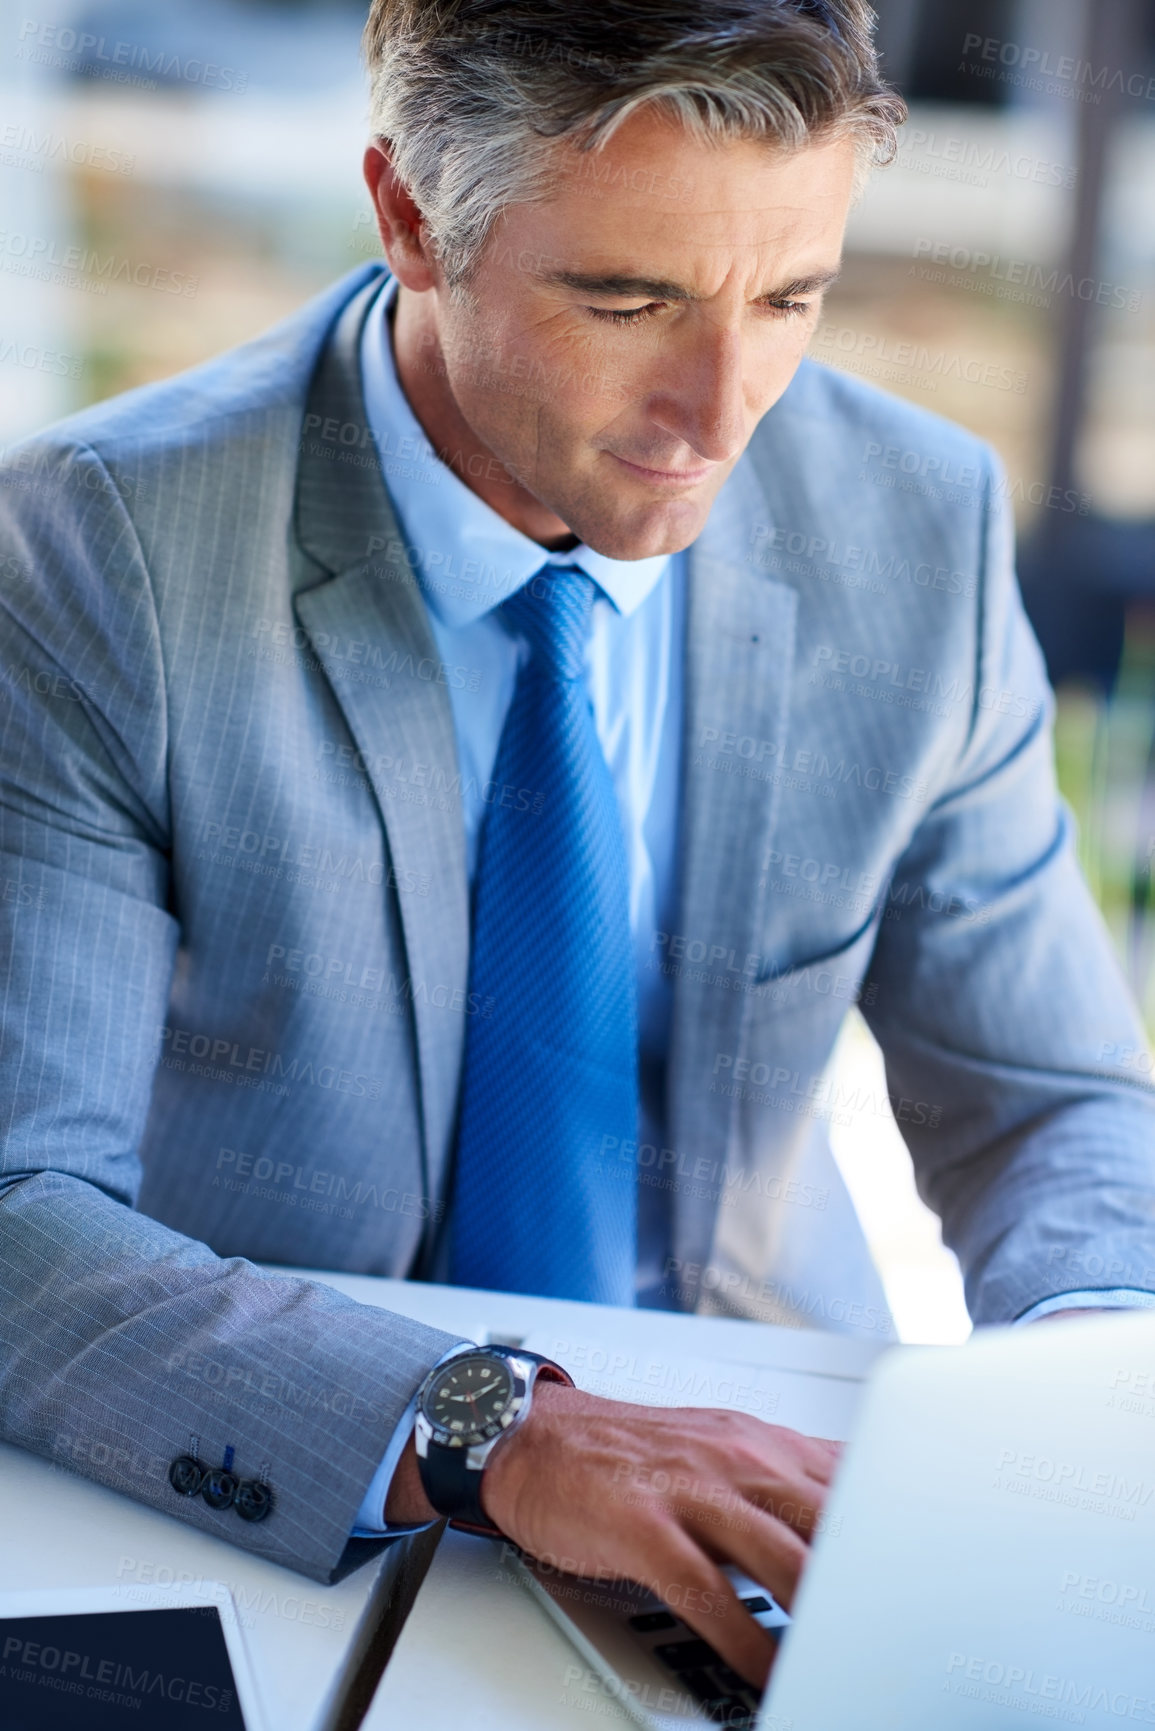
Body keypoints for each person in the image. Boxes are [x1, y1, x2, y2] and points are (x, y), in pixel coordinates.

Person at [1, 0, 1153, 1689]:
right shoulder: (103, 556)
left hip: (769, 1483)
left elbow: (1050, 1103)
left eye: (791, 299)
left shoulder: (919, 522)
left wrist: (1088, 1413)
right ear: (408, 218)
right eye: (627, 301)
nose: (721, 408)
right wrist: (500, 1432)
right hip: (281, 1472)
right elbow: (22, 1209)